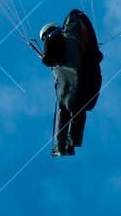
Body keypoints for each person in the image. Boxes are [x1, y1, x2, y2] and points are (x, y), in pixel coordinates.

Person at [35, 9, 103, 157]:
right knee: (78, 109)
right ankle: (71, 143)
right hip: (87, 81)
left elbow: (49, 59)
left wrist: (45, 58)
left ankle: (62, 146)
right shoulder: (74, 37)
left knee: (64, 110)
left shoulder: (54, 37)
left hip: (70, 82)